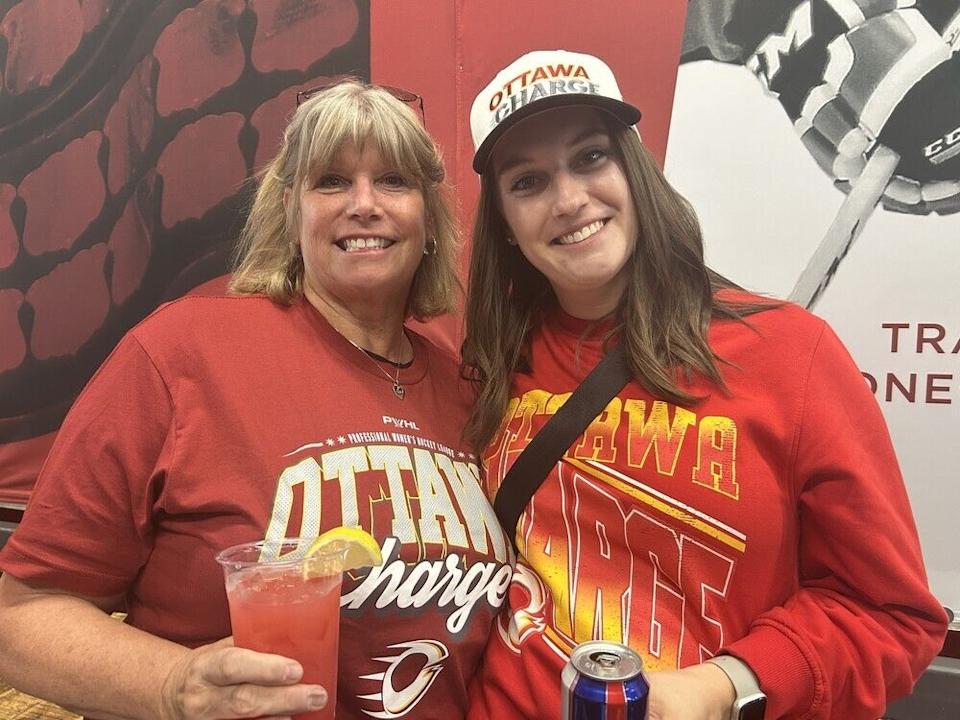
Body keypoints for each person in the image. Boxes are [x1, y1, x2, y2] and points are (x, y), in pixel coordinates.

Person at [0, 79, 511, 720]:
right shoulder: (179, 351)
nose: (364, 204)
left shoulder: (469, 388)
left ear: (429, 220)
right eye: (330, 181)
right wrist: (172, 683)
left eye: (394, 181)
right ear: (291, 212)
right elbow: (20, 619)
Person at [460, 49, 948, 720]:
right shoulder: (486, 368)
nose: (569, 199)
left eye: (592, 158)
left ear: (637, 172)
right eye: (528, 181)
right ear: (507, 228)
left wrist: (723, 685)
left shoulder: (788, 354)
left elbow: (890, 614)